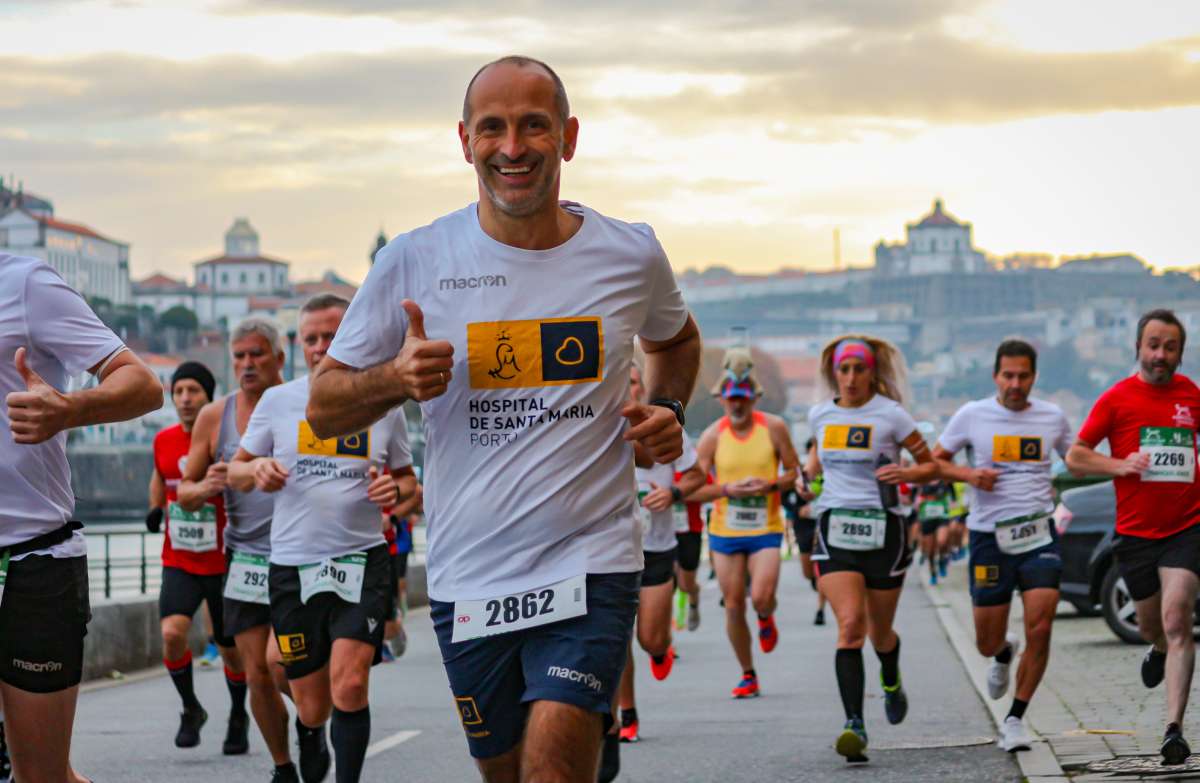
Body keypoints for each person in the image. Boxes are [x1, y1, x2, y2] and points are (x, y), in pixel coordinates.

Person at [306, 55, 701, 783]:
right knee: (508, 771)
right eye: (493, 128)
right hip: (470, 576)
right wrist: (396, 377)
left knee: (551, 769)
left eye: (533, 127)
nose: (512, 147)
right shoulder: (413, 260)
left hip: (592, 563)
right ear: (465, 140)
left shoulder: (629, 252)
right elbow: (324, 407)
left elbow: (674, 339)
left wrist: (668, 407)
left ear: (569, 137)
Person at [231, 294, 418, 783]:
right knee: (312, 705)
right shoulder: (278, 401)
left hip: (362, 561)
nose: (319, 347)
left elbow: (409, 483)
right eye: (311, 338)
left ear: (354, 335)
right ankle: (310, 736)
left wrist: (394, 489)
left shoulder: (384, 406)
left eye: (330, 336)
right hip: (293, 567)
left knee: (351, 684)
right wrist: (259, 470)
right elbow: (235, 469)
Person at [1, 252, 162, 783]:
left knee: (42, 777)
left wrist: (71, 410)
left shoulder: (24, 284)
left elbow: (142, 384)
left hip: (31, 561)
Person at [1067, 309, 1200, 766]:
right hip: (1136, 534)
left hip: (1187, 526)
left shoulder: (1191, 396)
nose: (1160, 355)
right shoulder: (1117, 400)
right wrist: (1119, 465)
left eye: (1170, 347)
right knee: (1152, 624)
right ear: (1139, 348)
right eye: (1153, 345)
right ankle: (1157, 648)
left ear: (1181, 354)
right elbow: (1076, 457)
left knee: (1178, 615)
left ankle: (1173, 730)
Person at [178, 317, 307, 782]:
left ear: (278, 358)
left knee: (284, 669)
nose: (247, 364)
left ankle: (312, 723)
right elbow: (186, 492)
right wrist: (208, 484)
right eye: (239, 356)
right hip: (245, 559)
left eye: (256, 354)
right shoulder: (215, 417)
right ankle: (283, 766)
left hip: (301, 555)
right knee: (256, 672)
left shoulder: (301, 403)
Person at [933, 339, 1073, 752]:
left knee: (1042, 626)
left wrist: (1120, 465)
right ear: (995, 376)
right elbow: (936, 461)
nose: (1015, 384)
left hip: (1037, 534)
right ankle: (1002, 652)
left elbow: (1076, 457)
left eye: (1023, 376)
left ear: (1034, 377)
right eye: (1008, 376)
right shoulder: (972, 415)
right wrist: (968, 475)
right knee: (985, 641)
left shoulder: (1052, 417)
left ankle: (1015, 719)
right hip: (988, 538)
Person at [801, 335, 936, 763]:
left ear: (873, 372)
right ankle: (854, 724)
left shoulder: (892, 416)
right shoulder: (820, 415)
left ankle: (891, 676)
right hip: (835, 528)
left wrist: (907, 473)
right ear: (834, 374)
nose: (852, 377)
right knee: (850, 625)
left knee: (880, 633)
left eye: (860, 369)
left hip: (885, 533)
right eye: (845, 369)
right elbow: (814, 463)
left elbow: (930, 465)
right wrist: (805, 478)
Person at [148, 360, 249, 752]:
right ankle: (191, 708)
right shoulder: (164, 440)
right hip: (180, 559)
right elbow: (160, 477)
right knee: (172, 633)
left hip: (224, 561)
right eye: (178, 391)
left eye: (194, 391)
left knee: (229, 647)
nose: (185, 399)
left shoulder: (225, 439)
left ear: (209, 398)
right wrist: (155, 509)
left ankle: (239, 714)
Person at [691, 348, 800, 698]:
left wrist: (770, 485)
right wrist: (726, 488)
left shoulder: (774, 428)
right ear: (721, 398)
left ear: (753, 397)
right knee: (734, 602)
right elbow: (695, 487)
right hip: (726, 530)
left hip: (765, 527)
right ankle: (747, 673)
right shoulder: (711, 436)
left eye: (743, 398)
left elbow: (794, 473)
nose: (737, 404)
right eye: (731, 398)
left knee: (762, 596)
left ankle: (766, 616)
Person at [617, 364, 705, 743]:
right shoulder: (595, 428)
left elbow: (699, 475)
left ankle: (660, 648)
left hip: (656, 548)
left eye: (632, 382)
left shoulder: (664, 425)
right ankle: (628, 713)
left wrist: (673, 494)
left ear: (643, 386)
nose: (627, 389)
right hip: (611, 551)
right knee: (616, 638)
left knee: (650, 639)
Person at [785, 438, 826, 625]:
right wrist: (797, 510)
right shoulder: (800, 476)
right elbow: (785, 498)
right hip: (804, 526)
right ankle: (817, 584)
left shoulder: (833, 473)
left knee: (822, 571)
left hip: (824, 524)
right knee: (808, 572)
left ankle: (820, 610)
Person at [916, 479, 954, 585]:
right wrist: (920, 502)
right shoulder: (923, 481)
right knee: (930, 552)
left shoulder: (945, 481)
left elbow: (952, 496)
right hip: (927, 517)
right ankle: (933, 574)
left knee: (942, 541)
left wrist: (952, 504)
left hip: (942, 516)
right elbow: (917, 498)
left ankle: (942, 559)